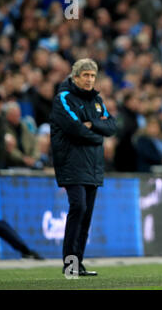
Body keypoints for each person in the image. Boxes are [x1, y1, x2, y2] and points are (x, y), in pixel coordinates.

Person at [50, 58, 117, 276]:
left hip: (93, 165)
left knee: (85, 215)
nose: (89, 79)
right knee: (78, 207)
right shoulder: (64, 98)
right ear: (75, 76)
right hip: (71, 163)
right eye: (85, 75)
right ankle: (69, 263)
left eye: (92, 76)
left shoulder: (96, 100)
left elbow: (111, 125)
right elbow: (74, 128)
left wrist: (94, 124)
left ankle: (77, 263)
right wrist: (97, 137)